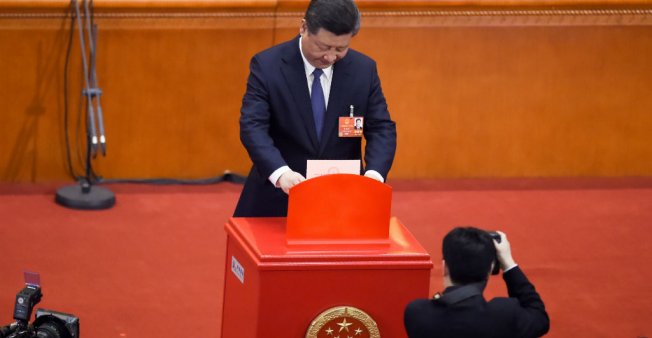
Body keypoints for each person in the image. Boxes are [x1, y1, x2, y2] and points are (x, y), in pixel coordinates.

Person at [233, 0, 397, 217]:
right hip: (279, 195)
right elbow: (252, 126)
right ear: (303, 28)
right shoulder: (268, 66)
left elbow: (380, 128)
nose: (330, 57)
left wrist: (374, 176)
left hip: (344, 198)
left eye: (340, 48)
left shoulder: (363, 70)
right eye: (323, 47)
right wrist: (281, 174)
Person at [404, 227, 550, 338]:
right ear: (490, 269)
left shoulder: (417, 313)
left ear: (444, 267)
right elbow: (539, 317)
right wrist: (509, 264)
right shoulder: (505, 315)